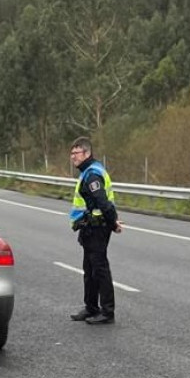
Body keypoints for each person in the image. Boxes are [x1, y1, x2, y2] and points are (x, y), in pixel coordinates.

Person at [68, 137, 121, 325]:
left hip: (97, 228)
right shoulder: (87, 172)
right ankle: (91, 307)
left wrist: (113, 223)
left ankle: (107, 312)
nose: (73, 157)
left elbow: (103, 202)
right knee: (89, 269)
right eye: (72, 153)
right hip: (89, 227)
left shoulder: (92, 175)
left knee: (100, 269)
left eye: (76, 153)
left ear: (87, 153)